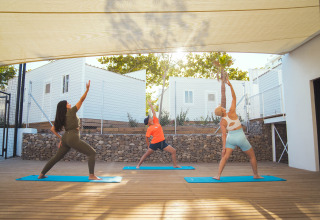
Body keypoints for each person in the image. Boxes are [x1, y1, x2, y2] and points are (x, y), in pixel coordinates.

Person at [38, 80, 101, 180]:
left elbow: (52, 129)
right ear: (65, 107)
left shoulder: (62, 116)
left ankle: (41, 174)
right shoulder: (71, 112)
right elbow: (81, 100)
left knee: (56, 158)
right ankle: (91, 175)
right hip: (72, 137)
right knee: (92, 153)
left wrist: (61, 139)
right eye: (68, 103)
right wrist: (87, 90)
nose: (69, 103)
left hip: (66, 138)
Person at [213, 79, 262, 180]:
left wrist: (223, 149)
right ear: (222, 110)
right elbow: (234, 97)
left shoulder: (222, 122)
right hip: (240, 136)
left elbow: (223, 135)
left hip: (231, 138)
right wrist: (230, 86)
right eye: (221, 107)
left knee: (225, 157)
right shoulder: (232, 112)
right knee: (252, 156)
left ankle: (218, 175)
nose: (222, 107)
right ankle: (256, 175)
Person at [136, 100, 181, 169]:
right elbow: (147, 137)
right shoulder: (149, 128)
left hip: (162, 143)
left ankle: (175, 165)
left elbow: (154, 112)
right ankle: (138, 165)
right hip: (154, 143)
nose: (151, 118)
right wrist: (148, 146)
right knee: (146, 154)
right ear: (148, 122)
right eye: (149, 118)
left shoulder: (156, 122)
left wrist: (150, 105)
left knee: (173, 151)